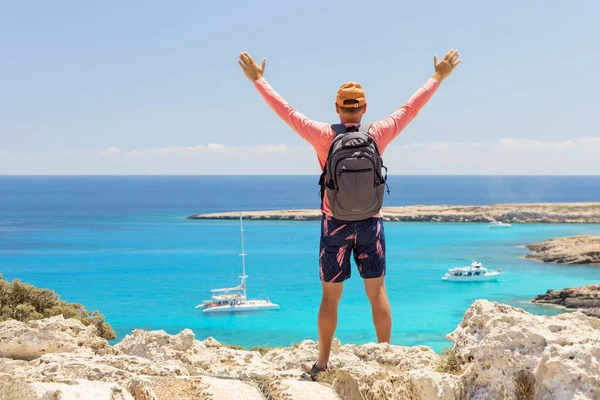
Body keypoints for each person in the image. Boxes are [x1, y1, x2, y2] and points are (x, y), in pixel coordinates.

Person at [238, 50, 461, 380]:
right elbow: (410, 109)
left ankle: (323, 363)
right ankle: (386, 359)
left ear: (338, 108)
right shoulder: (378, 132)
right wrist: (437, 77)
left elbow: (285, 111)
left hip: (334, 224)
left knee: (330, 297)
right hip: (371, 223)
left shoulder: (322, 134)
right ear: (365, 109)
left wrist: (258, 79)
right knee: (377, 294)